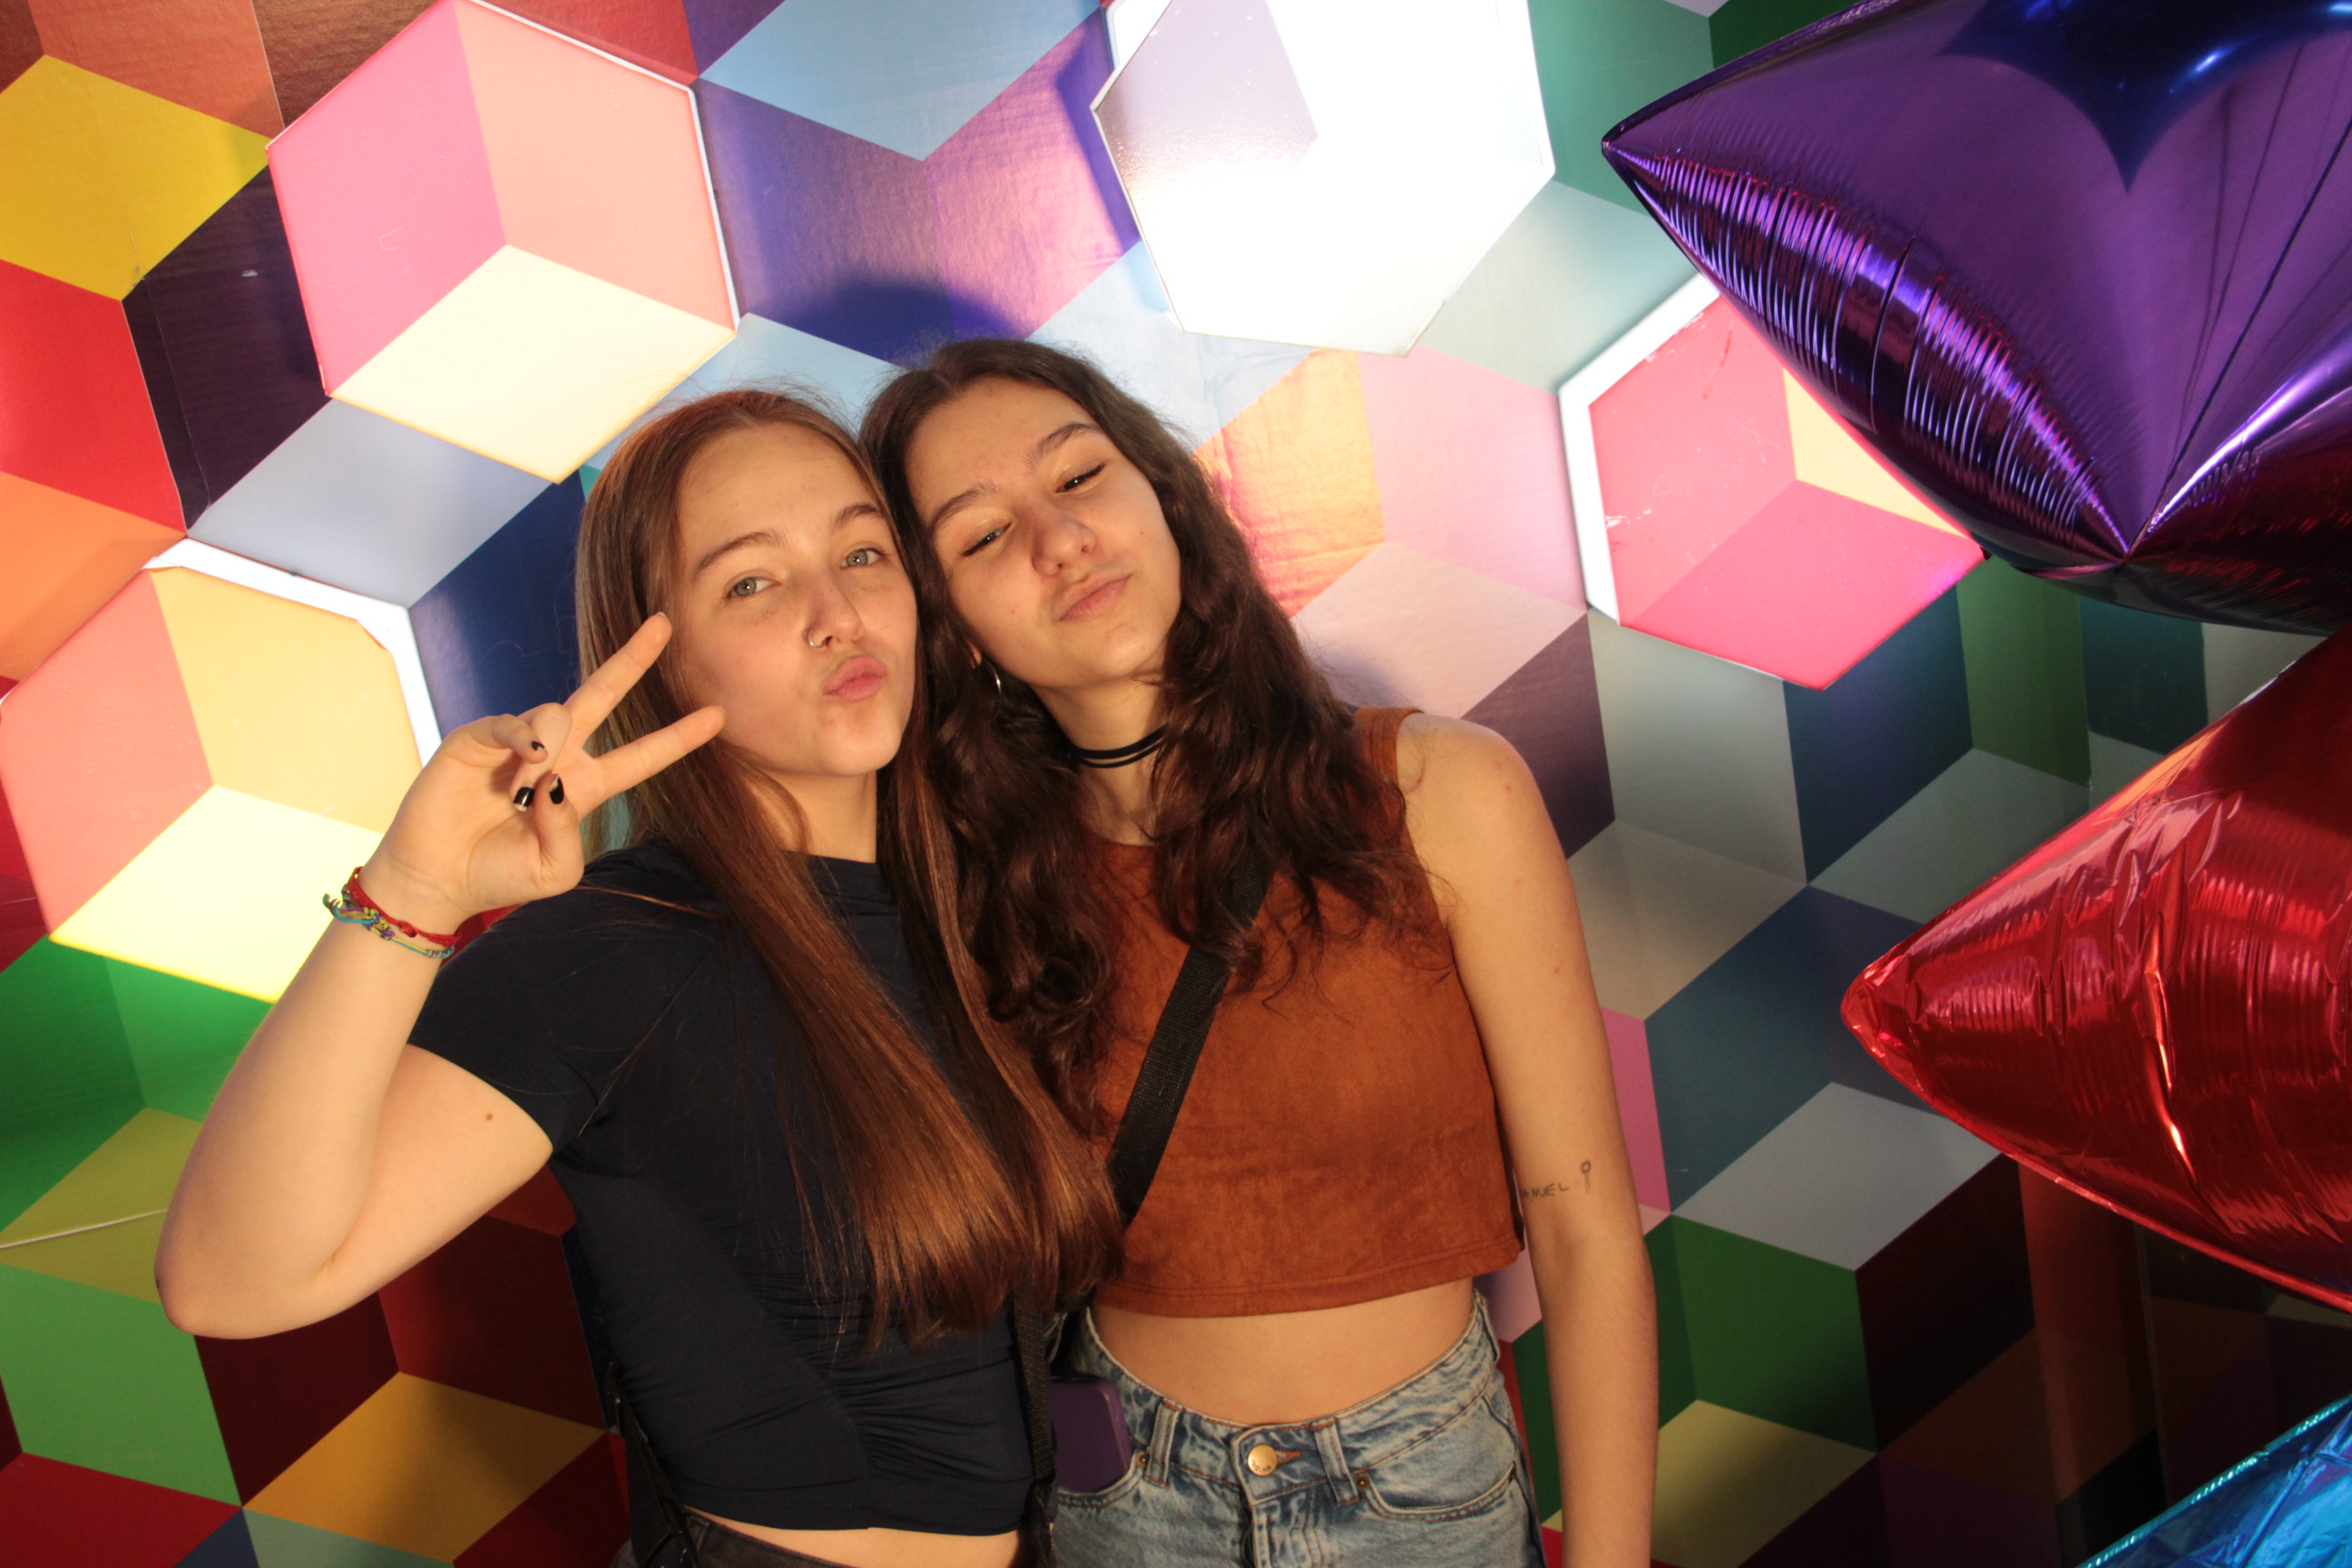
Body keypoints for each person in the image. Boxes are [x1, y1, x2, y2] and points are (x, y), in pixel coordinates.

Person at [156, 389, 1119, 1568]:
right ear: (659, 656)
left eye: (862, 554)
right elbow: (230, 1282)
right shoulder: (623, 948)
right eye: (751, 583)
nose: (835, 615)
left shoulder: (966, 904)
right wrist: (412, 888)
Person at [862, 341, 1658, 1567]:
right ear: (951, 629)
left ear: (1163, 498)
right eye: (982, 535)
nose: (1058, 540)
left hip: (1419, 1493)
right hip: (1123, 1503)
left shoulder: (1437, 789)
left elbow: (1585, 1228)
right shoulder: (964, 888)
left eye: (1079, 476)